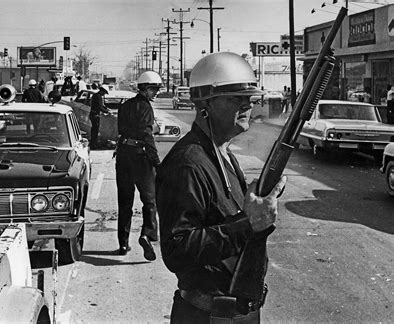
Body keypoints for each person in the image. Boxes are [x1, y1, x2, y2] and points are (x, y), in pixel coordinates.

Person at [156, 52, 287, 323]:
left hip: (237, 313)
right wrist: (247, 224)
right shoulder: (187, 164)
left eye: (249, 98)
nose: (247, 105)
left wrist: (254, 213)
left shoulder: (221, 153)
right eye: (235, 99)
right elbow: (176, 251)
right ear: (204, 104)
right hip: (208, 315)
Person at [115, 71, 162, 260]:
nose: (156, 93)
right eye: (154, 90)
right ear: (145, 89)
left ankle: (123, 244)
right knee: (150, 200)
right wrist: (156, 162)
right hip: (140, 157)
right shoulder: (146, 108)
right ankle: (147, 234)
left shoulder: (125, 106)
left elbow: (120, 130)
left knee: (124, 201)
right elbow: (147, 136)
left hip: (123, 155)